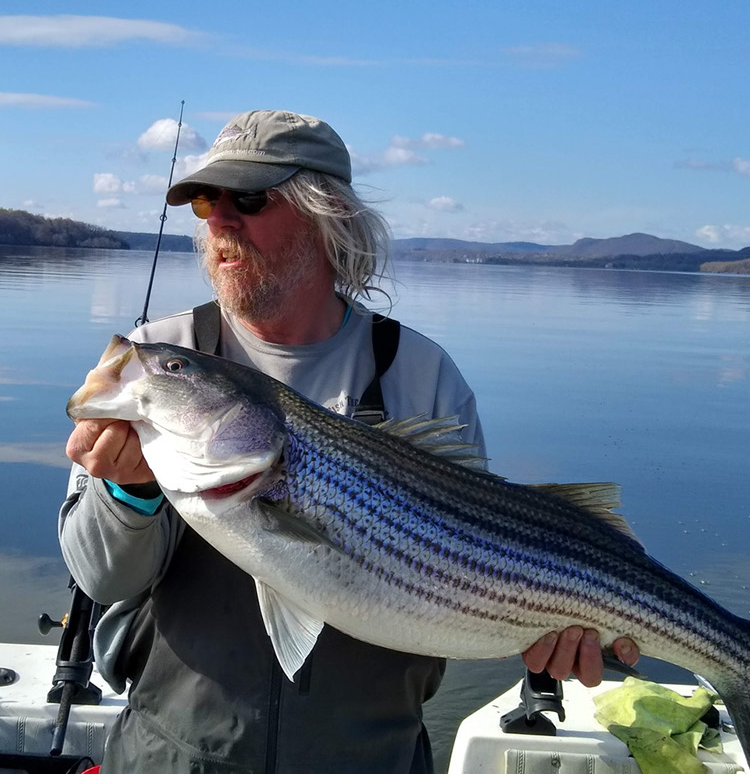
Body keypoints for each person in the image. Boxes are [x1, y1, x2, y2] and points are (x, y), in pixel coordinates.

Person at [59, 110, 639, 773]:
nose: (219, 220)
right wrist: (126, 491)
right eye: (205, 200)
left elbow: (483, 570)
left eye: (248, 198)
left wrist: (551, 627)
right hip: (171, 756)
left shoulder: (421, 375)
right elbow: (101, 576)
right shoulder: (166, 358)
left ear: (325, 213)